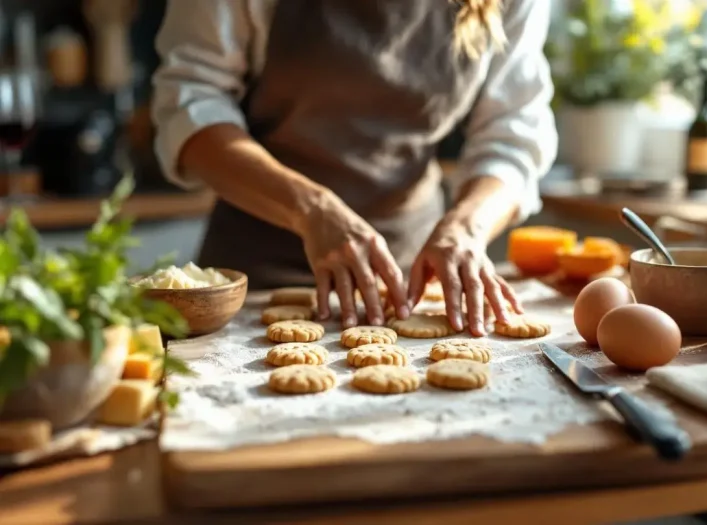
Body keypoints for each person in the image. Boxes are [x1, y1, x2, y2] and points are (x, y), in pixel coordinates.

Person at [151, 0, 557, 337]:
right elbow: (190, 105)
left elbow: (513, 131)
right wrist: (310, 209)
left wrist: (466, 227)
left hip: (413, 281)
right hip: (257, 277)